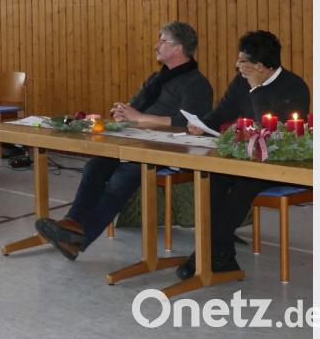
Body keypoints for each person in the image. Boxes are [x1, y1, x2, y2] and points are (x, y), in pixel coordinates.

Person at [35, 21, 213, 260]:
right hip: (137, 141)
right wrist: (124, 112)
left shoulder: (197, 84)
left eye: (162, 41)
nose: (156, 46)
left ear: (179, 48)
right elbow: (136, 107)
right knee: (95, 166)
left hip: (169, 149)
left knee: (122, 178)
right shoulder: (156, 78)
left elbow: (190, 125)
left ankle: (79, 240)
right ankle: (71, 223)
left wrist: (140, 117)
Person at [176, 30, 310, 279]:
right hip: (244, 159)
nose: (237, 66)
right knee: (211, 179)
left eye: (242, 62)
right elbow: (223, 112)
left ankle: (203, 255)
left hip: (281, 164)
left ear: (260, 66)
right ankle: (223, 256)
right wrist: (202, 125)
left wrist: (256, 89)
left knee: (243, 187)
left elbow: (271, 135)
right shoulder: (241, 81)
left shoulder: (294, 87)